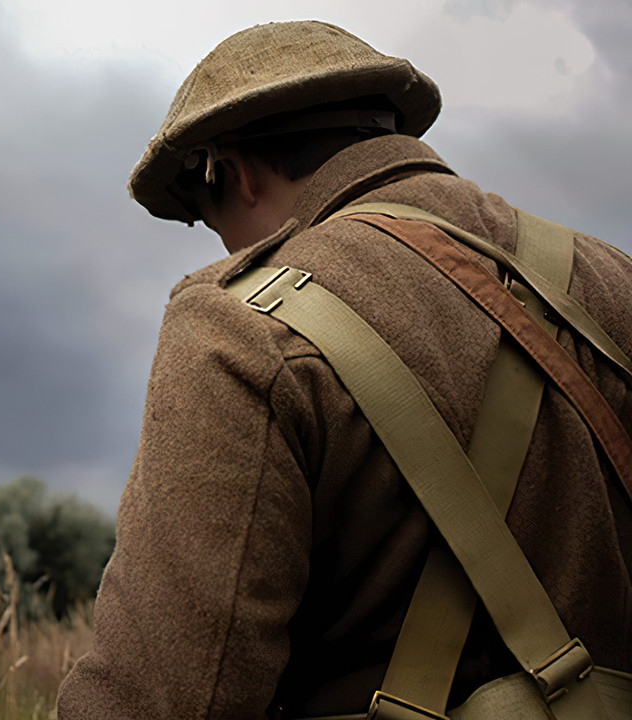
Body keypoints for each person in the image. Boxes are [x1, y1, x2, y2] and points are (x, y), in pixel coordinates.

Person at [56, 20, 632, 719]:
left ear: (236, 174)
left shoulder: (237, 327)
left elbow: (166, 695)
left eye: (210, 219)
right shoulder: (614, 280)